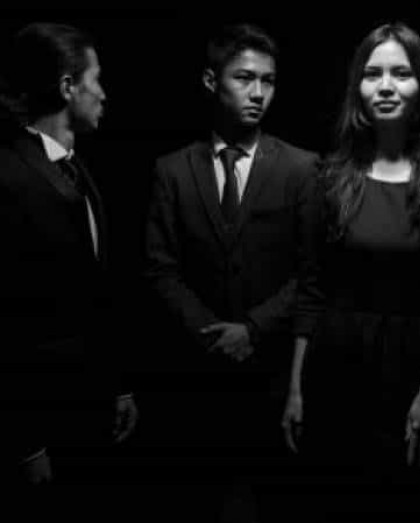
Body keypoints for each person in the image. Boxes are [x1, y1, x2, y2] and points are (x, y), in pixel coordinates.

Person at [285, 22, 420, 519]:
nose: (387, 86)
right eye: (373, 74)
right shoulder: (329, 177)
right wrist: (296, 389)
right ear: (358, 88)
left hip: (413, 368)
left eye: (401, 73)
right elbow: (312, 291)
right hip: (334, 368)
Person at [143, 23, 319, 521]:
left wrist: (254, 329)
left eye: (269, 80)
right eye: (244, 78)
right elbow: (159, 268)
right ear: (210, 80)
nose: (259, 92)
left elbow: (313, 272)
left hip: (274, 378)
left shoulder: (302, 168)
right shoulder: (172, 170)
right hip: (194, 385)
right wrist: (213, 335)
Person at [0, 22, 137, 522]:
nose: (104, 93)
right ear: (66, 86)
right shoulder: (8, 175)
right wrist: (25, 443)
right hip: (45, 422)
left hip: (90, 413)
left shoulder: (78, 169)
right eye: (96, 79)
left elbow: (96, 296)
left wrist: (117, 386)